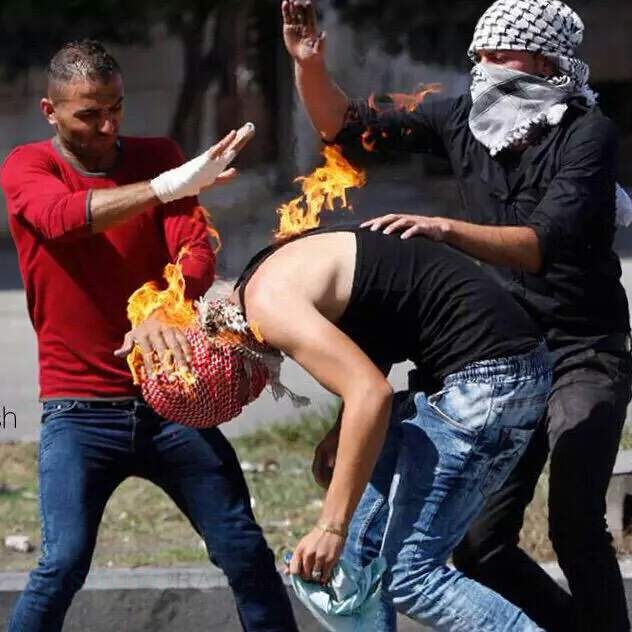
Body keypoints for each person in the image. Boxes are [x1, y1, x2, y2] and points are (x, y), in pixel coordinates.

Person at [281, 0, 632, 630]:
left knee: (575, 520)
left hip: (582, 351)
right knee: (478, 544)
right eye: (481, 54)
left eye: (504, 54)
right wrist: (309, 66)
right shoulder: (463, 115)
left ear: (548, 60)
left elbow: (540, 245)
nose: (488, 66)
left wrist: (444, 229)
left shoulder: (587, 134)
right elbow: (347, 126)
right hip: (505, 357)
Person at [119, 221, 553, 630]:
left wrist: (331, 526)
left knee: (410, 576)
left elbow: (371, 394)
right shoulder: (256, 281)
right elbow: (377, 317)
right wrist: (342, 430)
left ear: (241, 364)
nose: (267, 382)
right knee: (357, 562)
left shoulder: (270, 308)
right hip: (472, 370)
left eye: (254, 387)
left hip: (492, 378)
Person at [2, 39, 298, 632]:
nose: (107, 125)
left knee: (243, 550)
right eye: (89, 113)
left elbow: (195, 253)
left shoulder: (158, 155)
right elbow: (62, 220)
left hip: (171, 404)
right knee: (62, 563)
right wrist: (165, 186)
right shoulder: (28, 166)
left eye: (116, 107)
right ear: (50, 111)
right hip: (78, 410)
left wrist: (166, 306)